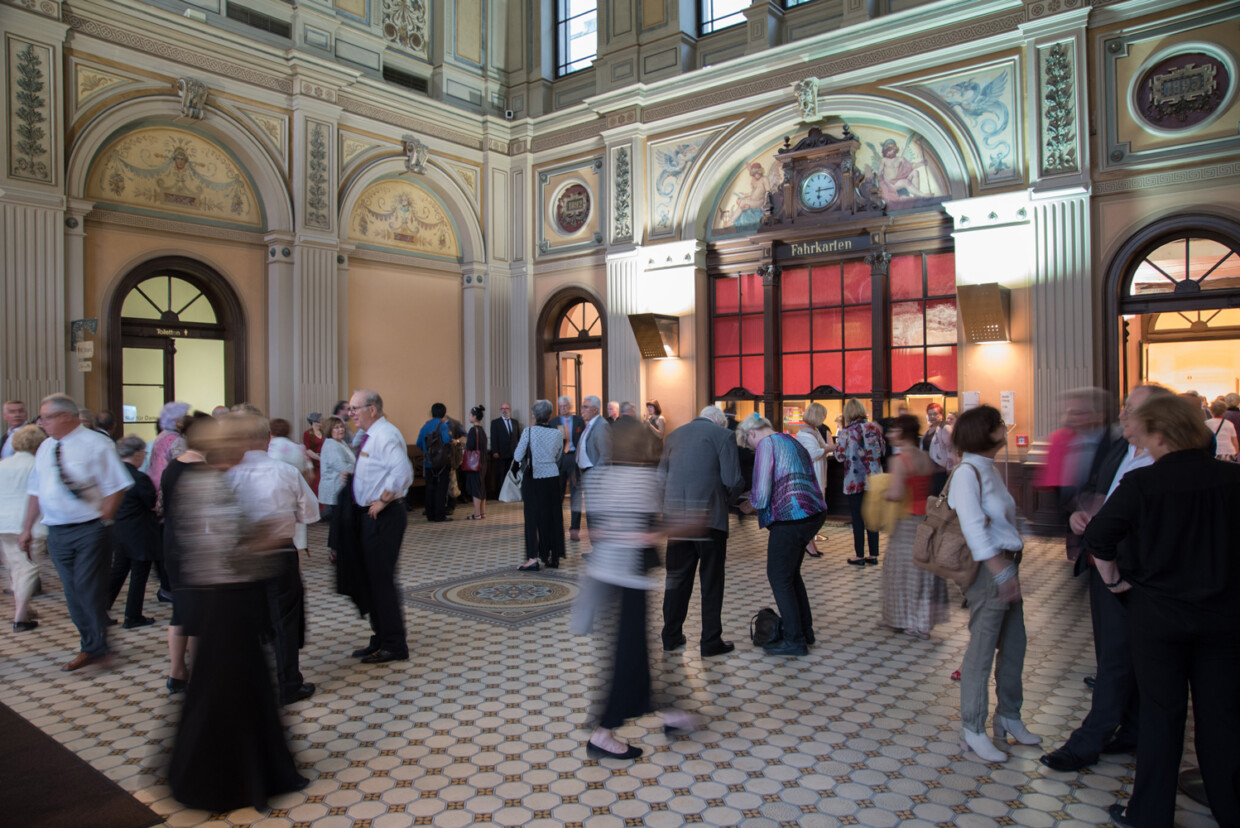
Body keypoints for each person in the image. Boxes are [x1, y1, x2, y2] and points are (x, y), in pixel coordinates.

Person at [1082, 395, 1240, 828]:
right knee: (1221, 719)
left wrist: (1114, 581)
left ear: (1160, 433)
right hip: (1223, 618)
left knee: (1162, 715)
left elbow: (1098, 537)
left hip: (1159, 617)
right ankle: (1231, 809)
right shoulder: (1232, 479)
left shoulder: (1143, 483)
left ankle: (1150, 814)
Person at [166, 414, 308, 811]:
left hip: (229, 601)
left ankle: (253, 768)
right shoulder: (207, 484)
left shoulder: (212, 480)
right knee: (228, 691)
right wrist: (269, 539)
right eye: (234, 444)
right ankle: (228, 778)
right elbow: (229, 549)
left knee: (243, 689)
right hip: (224, 603)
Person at [1039, 384, 1172, 774]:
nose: (1122, 416)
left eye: (1130, 410)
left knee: (1117, 658)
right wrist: (1081, 514)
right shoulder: (1119, 449)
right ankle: (1130, 730)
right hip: (1101, 563)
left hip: (1135, 571)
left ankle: (1088, 742)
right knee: (1113, 654)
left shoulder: (1166, 460)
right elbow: (1098, 491)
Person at [583, 416, 701, 760]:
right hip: (629, 577)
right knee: (628, 658)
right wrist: (689, 522)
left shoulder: (599, 476)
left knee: (634, 651)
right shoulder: (642, 478)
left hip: (606, 576)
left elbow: (599, 530)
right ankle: (603, 733)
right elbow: (647, 530)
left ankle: (670, 714)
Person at [949, 404, 1039, 762]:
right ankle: (973, 726)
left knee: (1015, 643)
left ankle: (1009, 715)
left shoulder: (987, 467)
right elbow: (972, 526)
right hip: (990, 569)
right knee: (982, 649)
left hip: (1006, 564)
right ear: (983, 433)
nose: (1004, 428)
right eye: (999, 425)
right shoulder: (968, 472)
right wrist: (1001, 572)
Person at [17, 394, 132, 671]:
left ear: (65, 417)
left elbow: (117, 485)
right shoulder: (46, 447)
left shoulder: (96, 444)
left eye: (46, 417)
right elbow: (36, 490)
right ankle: (92, 645)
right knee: (73, 592)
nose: (41, 422)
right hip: (57, 530)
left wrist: (103, 521)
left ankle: (97, 647)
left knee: (87, 589)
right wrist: (26, 528)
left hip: (90, 529)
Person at [229, 415, 319, 705]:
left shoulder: (229, 475)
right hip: (280, 552)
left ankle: (252, 682)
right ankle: (289, 683)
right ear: (268, 439)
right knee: (285, 620)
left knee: (247, 619)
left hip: (243, 556)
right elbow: (310, 514)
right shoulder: (284, 471)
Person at [737, 412, 828, 657]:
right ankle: (804, 631)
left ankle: (794, 640)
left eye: (748, 443)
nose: (752, 448)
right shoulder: (789, 439)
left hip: (791, 517)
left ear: (752, 433)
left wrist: (749, 504)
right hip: (812, 513)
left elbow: (763, 492)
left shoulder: (767, 444)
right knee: (790, 575)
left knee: (778, 577)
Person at [659, 405, 743, 657]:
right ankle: (710, 641)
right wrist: (729, 500)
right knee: (711, 581)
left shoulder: (673, 436)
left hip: (676, 520)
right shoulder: (723, 436)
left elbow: (660, 477)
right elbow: (733, 480)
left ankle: (671, 636)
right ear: (719, 422)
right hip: (710, 519)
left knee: (676, 579)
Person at [346, 389, 414, 663]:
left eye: (355, 409)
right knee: (373, 579)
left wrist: (384, 500)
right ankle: (381, 637)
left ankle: (395, 644)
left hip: (384, 518)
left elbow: (403, 473)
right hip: (371, 516)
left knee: (382, 581)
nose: (351, 414)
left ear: (371, 409)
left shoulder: (384, 435)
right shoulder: (371, 436)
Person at [880, 414, 948, 640]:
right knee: (924, 568)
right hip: (926, 519)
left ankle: (906, 620)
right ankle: (923, 622)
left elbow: (897, 493)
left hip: (905, 520)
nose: (889, 434)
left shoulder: (899, 460)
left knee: (903, 570)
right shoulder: (925, 458)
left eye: (893, 430)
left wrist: (882, 493)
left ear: (904, 433)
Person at [160, 412, 213, 694]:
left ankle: (176, 671)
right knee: (197, 613)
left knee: (180, 610)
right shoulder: (200, 470)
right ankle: (196, 671)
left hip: (174, 544)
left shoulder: (173, 467)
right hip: (196, 547)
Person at [106, 435, 161, 629]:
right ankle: (133, 615)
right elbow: (151, 504)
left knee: (118, 572)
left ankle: (102, 610)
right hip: (140, 531)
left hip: (120, 529)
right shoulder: (139, 478)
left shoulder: (112, 474)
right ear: (137, 454)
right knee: (139, 574)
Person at [0, 425, 48, 631]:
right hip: (29, 524)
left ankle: (24, 608)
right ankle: (20, 617)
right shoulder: (37, 465)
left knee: (16, 568)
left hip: (4, 523)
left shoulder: (3, 464)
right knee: (28, 569)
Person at [834, 398, 886, 566]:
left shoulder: (846, 432)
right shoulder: (874, 428)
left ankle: (859, 555)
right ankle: (874, 554)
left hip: (854, 480)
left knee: (858, 517)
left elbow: (839, 456)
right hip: (874, 478)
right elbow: (883, 450)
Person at [514, 399, 564, 571]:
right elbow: (558, 456)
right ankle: (553, 556)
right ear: (550, 415)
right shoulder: (558, 433)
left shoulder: (528, 432)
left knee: (532, 519)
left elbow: (518, 455)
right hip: (552, 478)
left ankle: (532, 558)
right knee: (552, 517)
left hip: (533, 478)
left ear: (534, 415)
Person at [794, 403, 832, 558]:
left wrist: (829, 448)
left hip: (819, 472)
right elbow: (814, 454)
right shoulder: (804, 434)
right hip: (811, 474)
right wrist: (831, 448)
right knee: (812, 510)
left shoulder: (815, 431)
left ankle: (810, 542)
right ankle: (807, 542)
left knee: (816, 509)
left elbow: (823, 448)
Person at [551, 396, 586, 541]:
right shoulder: (553, 422)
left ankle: (575, 529)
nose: (563, 408)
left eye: (565, 406)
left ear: (570, 406)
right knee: (556, 495)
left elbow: (583, 440)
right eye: (561, 406)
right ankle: (556, 527)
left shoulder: (578, 421)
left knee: (575, 494)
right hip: (559, 460)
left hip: (574, 458)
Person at [416, 403, 458, 523]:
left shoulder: (425, 426)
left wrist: (428, 452)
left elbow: (419, 442)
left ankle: (430, 514)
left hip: (428, 462)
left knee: (430, 488)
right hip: (441, 463)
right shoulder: (443, 426)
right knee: (441, 488)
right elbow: (446, 440)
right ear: (444, 413)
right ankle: (440, 515)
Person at [576, 395, 611, 533]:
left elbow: (606, 455)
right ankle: (595, 549)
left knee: (596, 514)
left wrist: (597, 477)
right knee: (591, 513)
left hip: (596, 476)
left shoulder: (601, 426)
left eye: (585, 407)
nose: (582, 410)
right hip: (587, 472)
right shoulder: (591, 424)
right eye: (582, 407)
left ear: (595, 410)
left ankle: (599, 549)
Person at [318, 416, 355, 520]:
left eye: (341, 427)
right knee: (338, 521)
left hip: (341, 486)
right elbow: (341, 466)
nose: (341, 429)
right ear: (329, 430)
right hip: (334, 487)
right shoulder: (331, 444)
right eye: (336, 427)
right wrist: (356, 468)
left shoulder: (340, 442)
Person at [147, 401, 191, 490]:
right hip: (170, 484)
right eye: (185, 416)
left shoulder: (161, 436)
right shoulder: (177, 440)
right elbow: (180, 466)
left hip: (155, 482)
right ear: (177, 421)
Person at [489, 403, 521, 499]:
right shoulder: (495, 423)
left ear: (509, 410)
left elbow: (518, 438)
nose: (504, 410)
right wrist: (495, 451)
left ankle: (511, 494)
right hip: (500, 454)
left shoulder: (515, 422)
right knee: (500, 474)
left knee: (512, 474)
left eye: (506, 408)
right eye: (502, 409)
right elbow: (493, 438)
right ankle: (499, 494)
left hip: (513, 453)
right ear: (500, 410)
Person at [922, 403, 954, 495]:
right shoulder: (929, 429)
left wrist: (950, 466)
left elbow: (951, 447)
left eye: (935, 414)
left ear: (941, 415)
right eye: (930, 414)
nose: (932, 416)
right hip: (930, 467)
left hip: (941, 468)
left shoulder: (945, 427)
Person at [464, 405, 488, 520]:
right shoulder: (482, 431)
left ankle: (477, 513)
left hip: (475, 464)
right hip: (483, 461)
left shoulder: (473, 430)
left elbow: (470, 446)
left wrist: (462, 443)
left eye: (470, 414)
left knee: (476, 488)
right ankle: (483, 512)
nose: (469, 416)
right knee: (482, 487)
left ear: (474, 417)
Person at [302, 412, 324, 495]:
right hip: (315, 461)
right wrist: (318, 458)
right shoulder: (308, 433)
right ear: (314, 421)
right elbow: (307, 449)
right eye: (320, 420)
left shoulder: (324, 432)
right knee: (316, 483)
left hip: (323, 460)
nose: (322, 421)